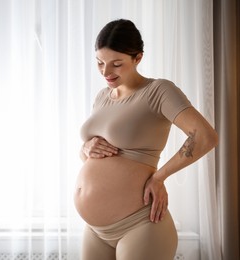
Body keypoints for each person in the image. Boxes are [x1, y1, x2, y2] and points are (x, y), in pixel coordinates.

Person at [74, 19, 218, 260]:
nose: (106, 72)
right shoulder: (102, 97)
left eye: (116, 64)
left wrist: (160, 177)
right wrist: (86, 147)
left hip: (140, 225)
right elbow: (96, 156)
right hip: (95, 231)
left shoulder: (158, 91)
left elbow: (205, 136)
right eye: (100, 62)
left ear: (137, 58)